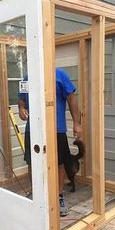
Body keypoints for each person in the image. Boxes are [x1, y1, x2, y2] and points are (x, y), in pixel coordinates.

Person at [18, 67, 82, 216]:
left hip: (56, 128)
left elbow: (71, 99)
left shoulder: (60, 74)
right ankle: (35, 194)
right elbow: (21, 99)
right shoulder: (28, 75)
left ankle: (58, 197)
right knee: (32, 162)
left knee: (59, 163)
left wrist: (77, 123)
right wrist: (21, 108)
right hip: (33, 128)